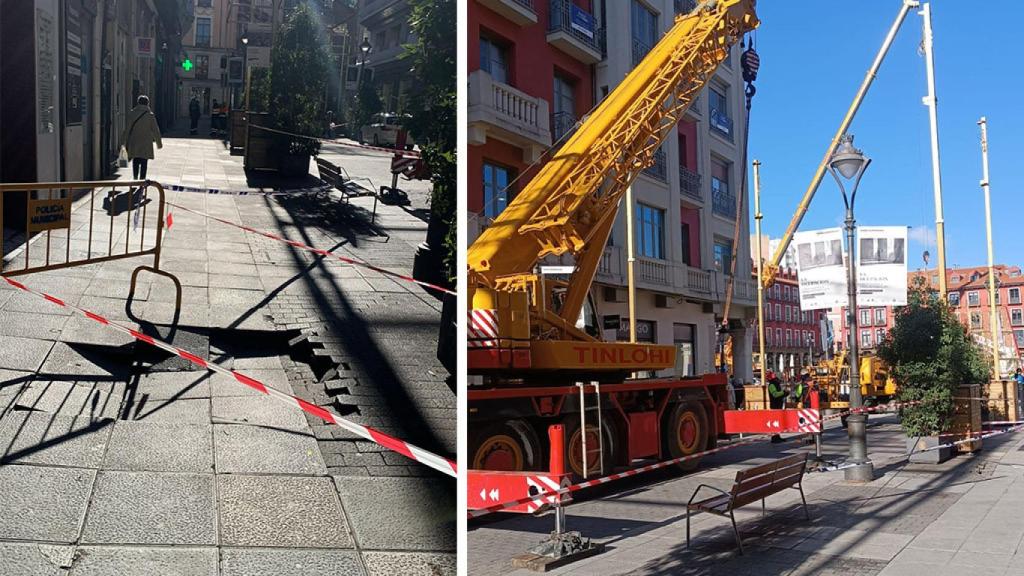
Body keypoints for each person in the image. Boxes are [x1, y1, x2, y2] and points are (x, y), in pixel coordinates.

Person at [123, 95, 162, 182]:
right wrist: (159, 143)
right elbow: (156, 130)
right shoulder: (150, 115)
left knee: (135, 160)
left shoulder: (132, 113)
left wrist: (123, 142)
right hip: (146, 142)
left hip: (135, 141)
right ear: (147, 103)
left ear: (138, 103)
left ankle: (135, 178)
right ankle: (142, 180)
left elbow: (127, 129)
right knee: (144, 162)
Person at [767, 370, 786, 443]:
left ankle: (777, 436)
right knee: (775, 422)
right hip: (775, 405)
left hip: (778, 404)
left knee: (777, 422)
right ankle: (774, 438)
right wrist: (783, 393)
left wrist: (784, 394)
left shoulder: (775, 384)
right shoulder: (772, 385)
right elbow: (775, 394)